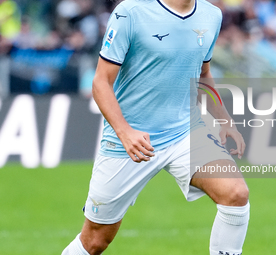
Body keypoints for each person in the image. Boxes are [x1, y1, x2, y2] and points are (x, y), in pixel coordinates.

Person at [61, 0, 250, 254]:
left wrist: (225, 121)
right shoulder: (130, 12)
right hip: (128, 142)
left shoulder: (211, 15)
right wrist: (125, 132)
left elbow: (203, 74)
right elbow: (101, 82)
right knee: (95, 241)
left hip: (185, 132)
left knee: (236, 194)